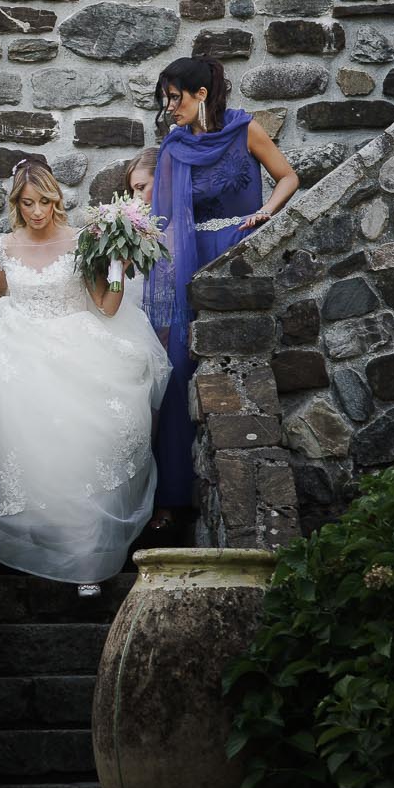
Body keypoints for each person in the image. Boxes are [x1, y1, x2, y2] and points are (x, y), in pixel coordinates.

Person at [0, 156, 172, 597]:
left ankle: (86, 558)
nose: (37, 212)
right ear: (18, 203)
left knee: (88, 444)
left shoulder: (82, 241)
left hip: (80, 345)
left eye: (45, 202)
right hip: (22, 346)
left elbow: (108, 307)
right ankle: (40, 544)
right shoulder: (5, 246)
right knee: (26, 443)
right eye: (29, 203)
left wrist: (116, 265)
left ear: (56, 199)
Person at [143, 58, 300, 536]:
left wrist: (266, 214)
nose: (170, 108)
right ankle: (171, 497)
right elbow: (163, 222)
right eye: (166, 99)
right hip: (189, 261)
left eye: (177, 98)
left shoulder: (244, 130)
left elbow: (288, 177)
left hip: (234, 248)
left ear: (202, 95)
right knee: (176, 368)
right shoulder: (173, 147)